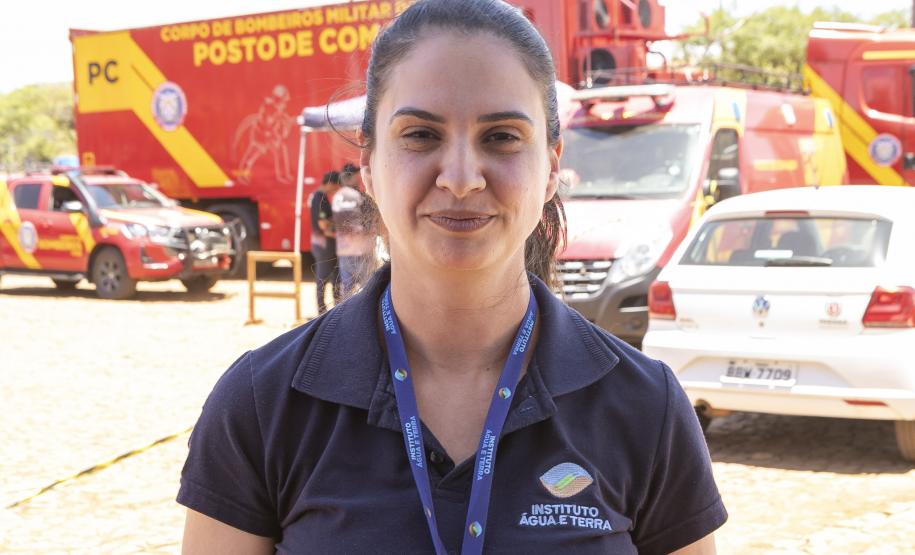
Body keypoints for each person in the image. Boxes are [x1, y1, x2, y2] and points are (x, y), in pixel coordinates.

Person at [178, 1, 727, 553]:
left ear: (552, 165)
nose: (462, 178)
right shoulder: (262, 404)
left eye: (502, 137)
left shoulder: (645, 406)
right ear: (368, 165)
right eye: (420, 135)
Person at [331, 162, 376, 297]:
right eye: (358, 175)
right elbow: (370, 223)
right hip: (363, 251)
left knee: (347, 290)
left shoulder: (337, 197)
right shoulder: (361, 197)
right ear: (354, 176)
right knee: (367, 290)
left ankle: (346, 317)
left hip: (344, 251)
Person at [308, 170, 340, 314]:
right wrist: (334, 227)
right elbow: (322, 224)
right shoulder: (319, 198)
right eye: (335, 186)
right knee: (323, 278)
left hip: (324, 244)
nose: (335, 190)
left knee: (331, 277)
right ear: (330, 184)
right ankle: (321, 310)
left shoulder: (321, 197)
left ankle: (328, 309)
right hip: (323, 245)